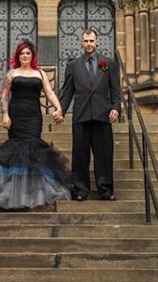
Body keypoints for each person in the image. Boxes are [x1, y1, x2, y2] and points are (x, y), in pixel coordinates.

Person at [0, 40, 73, 209]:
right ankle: (9, 195)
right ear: (18, 56)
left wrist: (58, 108)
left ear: (32, 56)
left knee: (32, 149)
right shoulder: (12, 74)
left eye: (28, 53)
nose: (25, 56)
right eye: (22, 53)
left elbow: (49, 92)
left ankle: (31, 194)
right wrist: (5, 115)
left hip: (34, 116)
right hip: (16, 115)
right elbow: (4, 95)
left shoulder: (40, 73)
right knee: (16, 151)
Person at [56, 28, 121, 201]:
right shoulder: (73, 65)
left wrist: (115, 108)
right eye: (86, 41)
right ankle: (80, 189)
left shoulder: (108, 63)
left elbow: (115, 90)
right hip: (81, 115)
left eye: (92, 41)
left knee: (104, 154)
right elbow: (67, 91)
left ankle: (105, 189)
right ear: (81, 43)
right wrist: (60, 110)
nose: (89, 44)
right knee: (80, 154)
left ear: (97, 42)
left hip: (102, 114)